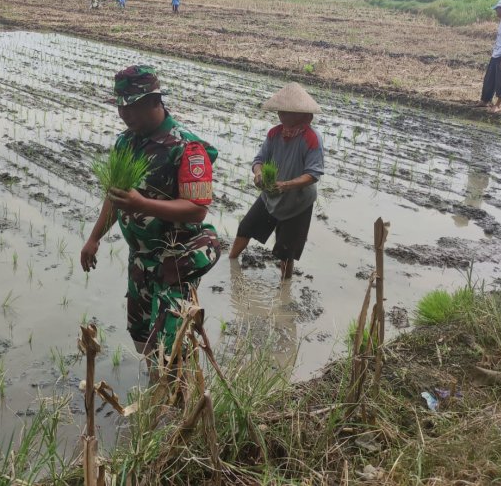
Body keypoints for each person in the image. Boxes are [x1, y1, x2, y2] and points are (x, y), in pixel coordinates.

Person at [80, 65, 220, 358]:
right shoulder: (126, 142)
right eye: (121, 107)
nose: (124, 114)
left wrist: (142, 204)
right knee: (141, 336)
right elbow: (116, 197)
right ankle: (159, 391)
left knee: (173, 345)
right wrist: (94, 238)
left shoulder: (187, 147)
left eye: (131, 106)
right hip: (141, 261)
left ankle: (179, 398)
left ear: (155, 101)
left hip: (176, 261)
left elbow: (197, 210)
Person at [229, 83, 324, 280]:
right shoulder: (274, 133)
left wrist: (287, 185)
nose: (281, 115)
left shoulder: (312, 138)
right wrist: (258, 173)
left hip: (298, 202)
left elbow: (313, 174)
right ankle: (230, 264)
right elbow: (259, 160)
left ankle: (284, 289)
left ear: (302, 115)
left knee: (286, 250)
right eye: (280, 111)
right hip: (271, 193)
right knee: (246, 227)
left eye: (286, 112)